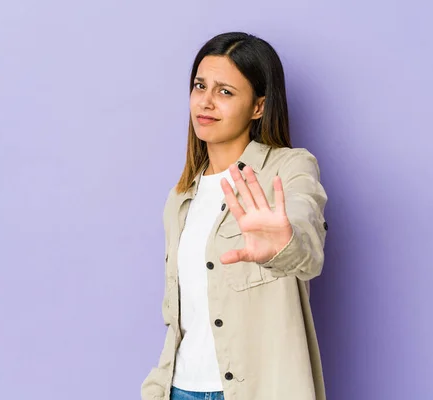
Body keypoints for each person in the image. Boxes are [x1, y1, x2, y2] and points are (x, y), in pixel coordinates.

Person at [141, 31, 329, 400]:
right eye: (200, 86)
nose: (206, 102)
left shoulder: (289, 169)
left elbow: (307, 237)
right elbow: (181, 319)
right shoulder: (180, 198)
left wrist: (285, 243)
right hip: (179, 389)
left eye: (225, 92)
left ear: (258, 106)